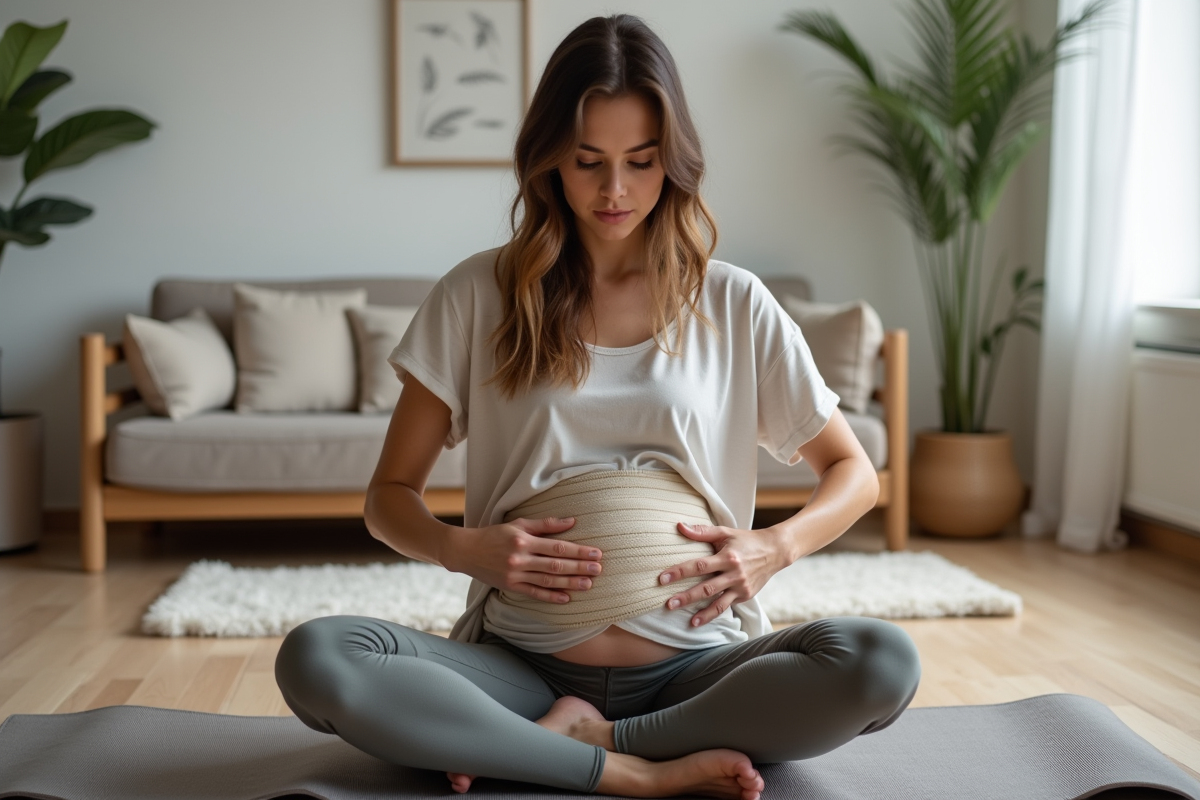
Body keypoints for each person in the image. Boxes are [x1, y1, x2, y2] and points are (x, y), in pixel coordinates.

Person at [274, 13, 920, 800]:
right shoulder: (479, 293)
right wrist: (465, 548)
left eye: (641, 162)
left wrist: (774, 547)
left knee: (881, 662)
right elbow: (387, 499)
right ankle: (624, 773)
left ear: (673, 161)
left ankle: (592, 741)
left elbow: (855, 472)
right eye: (588, 162)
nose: (615, 191)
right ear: (549, 160)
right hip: (518, 669)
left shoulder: (735, 301)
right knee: (317, 657)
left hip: (700, 665)